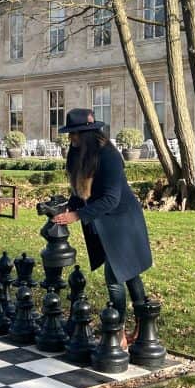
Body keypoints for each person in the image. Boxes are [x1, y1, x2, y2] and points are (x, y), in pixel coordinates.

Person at [51, 108, 152, 348]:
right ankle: (142, 323)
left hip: (122, 220)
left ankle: (116, 330)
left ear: (85, 134)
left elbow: (110, 199)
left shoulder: (109, 156)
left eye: (74, 134)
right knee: (128, 272)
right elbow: (78, 190)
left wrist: (78, 215)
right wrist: (71, 207)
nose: (71, 138)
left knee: (116, 276)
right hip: (101, 220)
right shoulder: (76, 154)